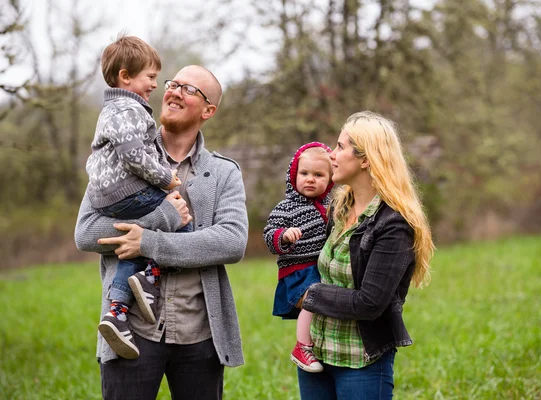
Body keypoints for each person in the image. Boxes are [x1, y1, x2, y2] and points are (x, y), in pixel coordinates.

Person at [74, 64, 248, 400]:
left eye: (189, 89)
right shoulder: (122, 154)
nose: (174, 91)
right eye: (173, 84)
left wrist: (148, 242)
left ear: (209, 110)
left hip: (199, 332)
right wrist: (159, 220)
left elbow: (231, 240)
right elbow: (86, 232)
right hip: (129, 333)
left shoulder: (223, 173)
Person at [295, 111, 435, 399]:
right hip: (317, 357)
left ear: (365, 159)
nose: (331, 155)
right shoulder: (338, 209)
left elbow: (370, 303)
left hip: (362, 362)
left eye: (340, 147)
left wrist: (309, 295)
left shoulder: (393, 224)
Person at [85, 34, 193, 360]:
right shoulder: (130, 110)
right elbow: (134, 155)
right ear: (125, 76)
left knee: (136, 236)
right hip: (124, 191)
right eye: (150, 77)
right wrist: (165, 179)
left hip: (109, 195)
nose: (155, 85)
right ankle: (149, 277)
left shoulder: (113, 110)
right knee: (181, 219)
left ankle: (116, 314)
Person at [264, 142, 335, 373]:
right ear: (293, 176)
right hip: (297, 271)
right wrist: (283, 236)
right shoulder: (286, 208)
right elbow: (269, 235)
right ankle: (301, 347)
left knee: (326, 304)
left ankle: (316, 344)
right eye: (304, 173)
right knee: (314, 299)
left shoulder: (332, 206)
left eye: (318, 174)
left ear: (330, 179)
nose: (310, 179)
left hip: (321, 268)